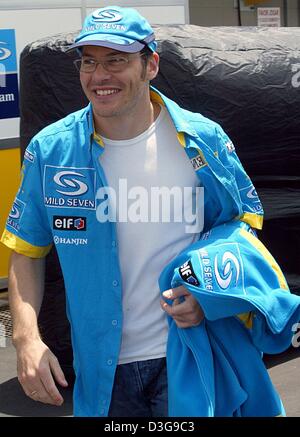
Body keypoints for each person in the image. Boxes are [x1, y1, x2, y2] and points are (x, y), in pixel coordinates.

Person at [1, 6, 297, 417]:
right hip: (101, 368)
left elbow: (242, 224)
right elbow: (26, 250)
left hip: (189, 352)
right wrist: (27, 340)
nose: (99, 76)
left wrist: (208, 295)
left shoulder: (202, 139)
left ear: (151, 64)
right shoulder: (52, 151)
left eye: (116, 60)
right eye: (89, 62)